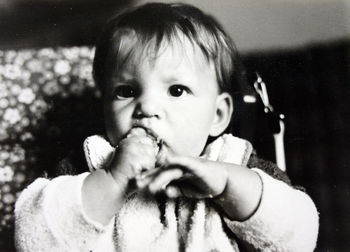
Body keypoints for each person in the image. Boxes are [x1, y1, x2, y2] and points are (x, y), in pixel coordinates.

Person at [14, 3, 319, 251]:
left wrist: (228, 186)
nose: (146, 107)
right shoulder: (89, 166)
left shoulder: (232, 162)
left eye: (176, 91)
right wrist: (112, 181)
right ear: (104, 107)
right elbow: (32, 240)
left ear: (218, 114)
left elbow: (300, 238)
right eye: (127, 91)